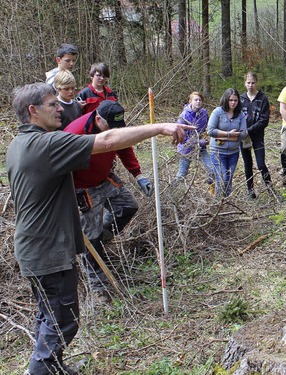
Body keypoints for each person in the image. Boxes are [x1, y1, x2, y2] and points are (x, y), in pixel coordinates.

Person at [7, 82, 190, 375]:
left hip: (34, 249)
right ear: (33, 111)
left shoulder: (19, 143)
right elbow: (108, 140)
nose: (60, 108)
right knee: (63, 320)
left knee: (48, 316)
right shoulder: (46, 144)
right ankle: (40, 370)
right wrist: (161, 127)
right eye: (53, 104)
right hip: (48, 251)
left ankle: (52, 367)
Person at [65, 100, 154, 302]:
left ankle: (102, 239)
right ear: (98, 119)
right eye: (110, 128)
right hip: (82, 187)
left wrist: (138, 175)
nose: (115, 132)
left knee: (128, 206)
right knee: (90, 237)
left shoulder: (114, 127)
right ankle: (98, 287)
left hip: (104, 178)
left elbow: (124, 146)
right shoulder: (75, 132)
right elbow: (61, 164)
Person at [207, 88, 248, 197]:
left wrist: (237, 134)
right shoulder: (218, 112)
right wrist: (228, 134)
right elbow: (210, 131)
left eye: (235, 100)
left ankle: (227, 200)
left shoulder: (240, 115)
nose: (233, 103)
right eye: (231, 100)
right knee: (222, 177)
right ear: (226, 100)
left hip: (233, 152)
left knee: (229, 177)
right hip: (217, 151)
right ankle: (218, 200)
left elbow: (244, 133)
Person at [240, 72, 272, 198]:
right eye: (248, 82)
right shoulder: (241, 99)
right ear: (245, 83)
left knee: (261, 164)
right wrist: (243, 132)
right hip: (244, 137)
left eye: (253, 82)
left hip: (257, 136)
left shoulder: (262, 98)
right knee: (247, 164)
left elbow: (264, 120)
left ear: (256, 83)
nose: (251, 85)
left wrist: (250, 130)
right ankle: (250, 191)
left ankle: (271, 190)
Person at [175, 91, 214, 184]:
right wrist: (198, 142)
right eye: (195, 100)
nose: (198, 102)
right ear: (190, 101)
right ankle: (174, 190)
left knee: (212, 169)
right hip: (186, 149)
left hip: (201, 148)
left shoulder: (204, 113)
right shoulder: (184, 116)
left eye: (200, 100)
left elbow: (206, 128)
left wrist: (207, 136)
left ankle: (211, 187)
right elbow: (181, 137)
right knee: (182, 174)